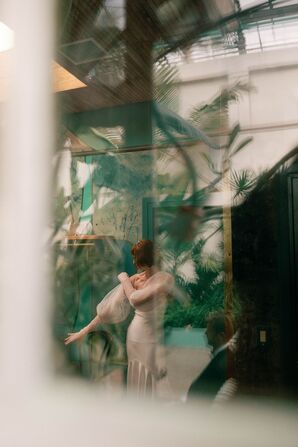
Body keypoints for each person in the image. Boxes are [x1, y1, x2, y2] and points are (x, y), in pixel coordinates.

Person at [65, 240, 174, 397]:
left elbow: (135, 298)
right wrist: (82, 331)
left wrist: (124, 280)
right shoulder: (136, 279)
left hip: (152, 338)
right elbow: (106, 311)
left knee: (154, 378)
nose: (134, 262)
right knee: (137, 379)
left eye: (136, 258)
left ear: (146, 258)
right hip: (134, 336)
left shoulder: (164, 279)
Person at [187, 311, 235, 401]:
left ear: (221, 336)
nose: (205, 333)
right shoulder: (224, 356)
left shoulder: (221, 363)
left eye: (209, 330)